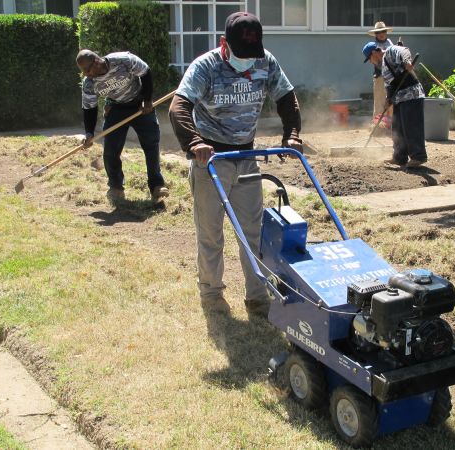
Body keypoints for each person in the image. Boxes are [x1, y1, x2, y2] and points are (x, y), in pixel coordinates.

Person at [168, 12, 303, 318]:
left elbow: (286, 97)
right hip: (211, 160)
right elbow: (179, 106)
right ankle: (212, 294)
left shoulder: (264, 60)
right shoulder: (205, 66)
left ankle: (257, 297)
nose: (247, 61)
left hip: (246, 157)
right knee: (211, 232)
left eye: (251, 54)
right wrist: (194, 143)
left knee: (252, 233)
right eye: (241, 54)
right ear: (223, 42)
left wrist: (292, 134)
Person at [77, 49, 169, 205]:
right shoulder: (89, 84)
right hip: (116, 107)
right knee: (111, 149)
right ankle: (115, 187)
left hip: (139, 104)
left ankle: (156, 185)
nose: (86, 74)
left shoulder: (123, 60)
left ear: (97, 61)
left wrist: (147, 101)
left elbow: (145, 73)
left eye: (87, 69)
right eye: (83, 71)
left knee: (151, 144)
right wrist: (89, 133)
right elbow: (89, 109)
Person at [362, 41, 428, 168]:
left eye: (369, 58)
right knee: (397, 127)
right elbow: (390, 85)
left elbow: (403, 51)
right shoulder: (383, 67)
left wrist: (407, 61)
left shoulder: (390, 51)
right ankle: (399, 157)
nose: (371, 62)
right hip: (399, 98)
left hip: (412, 94)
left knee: (411, 126)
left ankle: (418, 157)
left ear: (375, 52)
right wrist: (388, 100)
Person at [366, 21, 394, 120]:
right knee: (379, 102)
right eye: (379, 32)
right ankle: (378, 126)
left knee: (391, 102)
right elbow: (374, 60)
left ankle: (390, 125)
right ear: (375, 34)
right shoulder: (373, 45)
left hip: (391, 76)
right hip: (380, 76)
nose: (381, 34)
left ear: (386, 32)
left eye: (383, 31)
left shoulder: (390, 42)